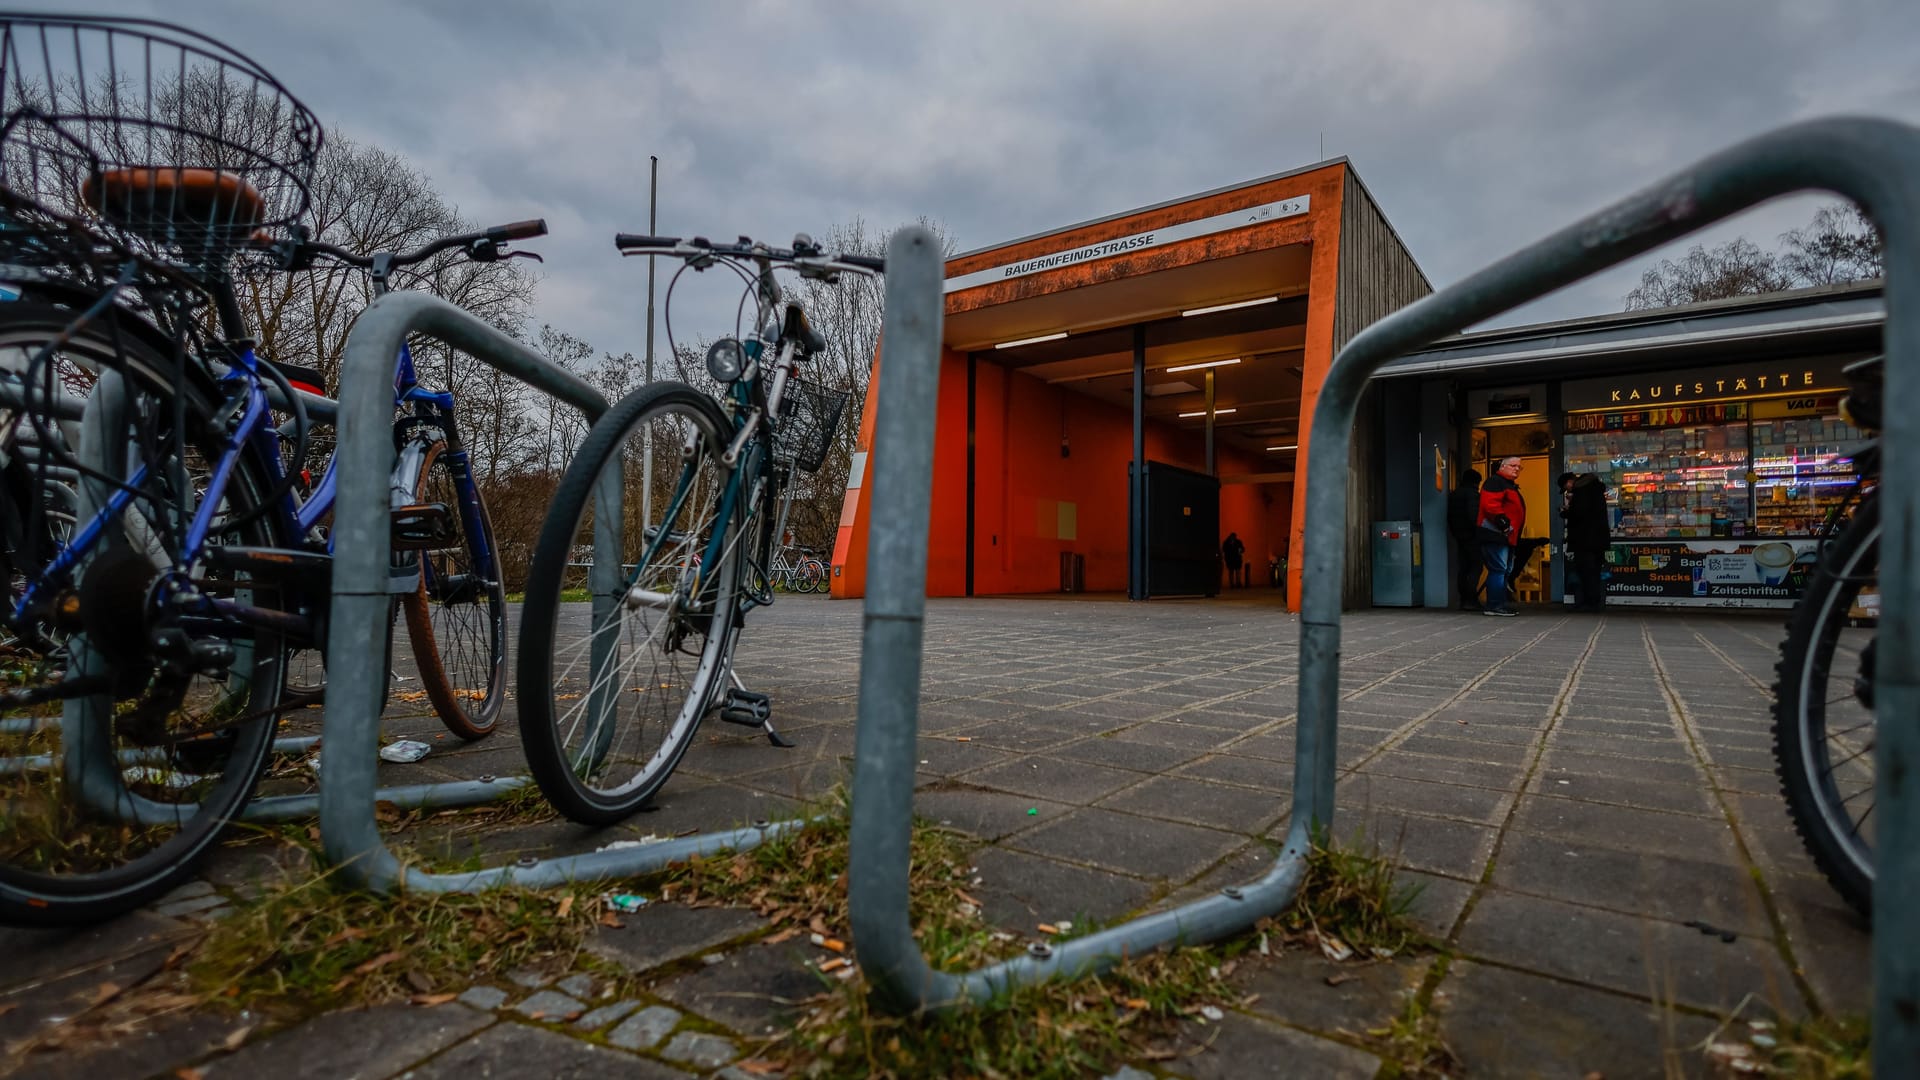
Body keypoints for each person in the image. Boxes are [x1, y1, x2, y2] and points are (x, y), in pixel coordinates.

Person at [1476, 456, 1525, 617]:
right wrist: (1504, 524)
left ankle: (1499, 604)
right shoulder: (1496, 482)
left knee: (1503, 570)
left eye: (1519, 467)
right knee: (1499, 569)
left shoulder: (1506, 484)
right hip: (1496, 534)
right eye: (1513, 465)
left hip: (1505, 536)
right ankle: (1495, 605)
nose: (1517, 468)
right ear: (1502, 466)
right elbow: (1490, 506)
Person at [1563, 471, 1612, 612]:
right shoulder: (1595, 489)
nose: (1567, 490)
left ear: (1569, 482)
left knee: (1586, 571)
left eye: (1566, 487)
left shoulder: (1582, 492)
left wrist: (1568, 511)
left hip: (1585, 539)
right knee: (1594, 571)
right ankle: (1594, 601)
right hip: (1597, 539)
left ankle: (1588, 602)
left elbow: (1580, 513)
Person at [1447, 467, 1484, 610]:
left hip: (1459, 536)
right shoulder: (1473, 495)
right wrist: (1479, 532)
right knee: (1476, 567)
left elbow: (1450, 517)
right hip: (1472, 536)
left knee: (1463, 568)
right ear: (1476, 482)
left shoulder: (1454, 494)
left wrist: (1455, 532)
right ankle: (1471, 600)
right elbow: (1473, 516)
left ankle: (1464, 599)